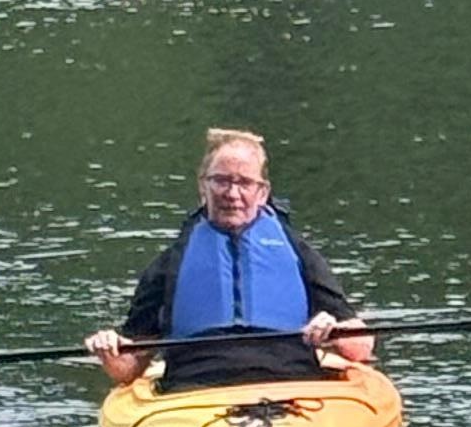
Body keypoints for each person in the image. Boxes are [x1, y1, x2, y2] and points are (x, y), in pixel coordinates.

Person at [85, 128, 374, 390]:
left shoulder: (300, 255)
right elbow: (129, 369)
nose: (232, 194)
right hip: (194, 389)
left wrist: (334, 331)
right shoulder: (170, 263)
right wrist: (109, 350)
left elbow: (360, 347)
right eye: (221, 181)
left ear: (262, 193)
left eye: (244, 183)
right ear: (203, 186)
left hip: (292, 382)